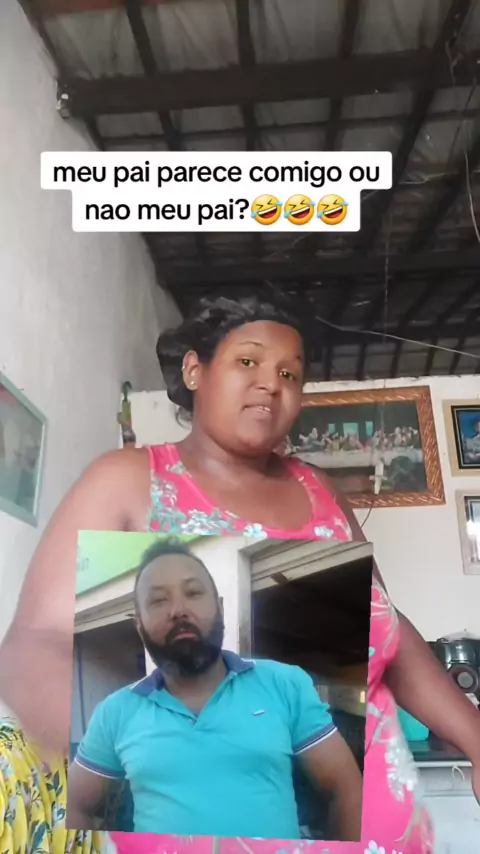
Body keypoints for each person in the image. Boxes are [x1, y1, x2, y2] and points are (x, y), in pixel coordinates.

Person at [1, 289, 480, 854]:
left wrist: (475, 737)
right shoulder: (127, 481)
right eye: (248, 361)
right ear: (195, 370)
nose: (270, 384)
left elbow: (387, 631)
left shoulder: (321, 492)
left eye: (289, 373)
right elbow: (36, 643)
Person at [67, 540, 362, 840]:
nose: (178, 610)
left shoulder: (284, 684)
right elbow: (75, 806)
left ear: (220, 607)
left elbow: (346, 788)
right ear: (139, 627)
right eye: (158, 600)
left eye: (193, 593)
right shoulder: (114, 712)